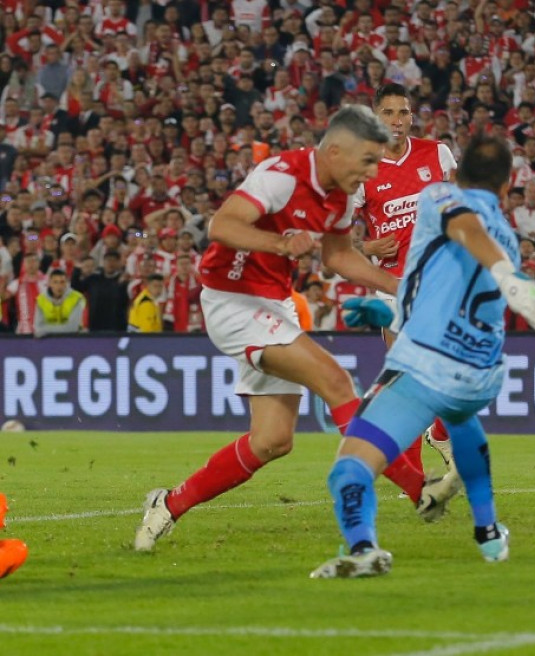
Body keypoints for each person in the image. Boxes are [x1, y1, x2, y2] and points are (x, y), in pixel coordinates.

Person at [134, 106, 431, 552]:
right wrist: (279, 242)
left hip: (272, 304)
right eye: (367, 161)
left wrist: (400, 286)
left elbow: (338, 258)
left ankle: (168, 504)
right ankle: (419, 489)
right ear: (334, 151)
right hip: (231, 299)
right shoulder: (281, 174)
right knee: (335, 380)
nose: (372, 172)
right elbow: (222, 225)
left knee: (272, 441)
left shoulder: (341, 198)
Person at [310, 135, 535, 578]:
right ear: (505, 189)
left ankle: (364, 547)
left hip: (427, 365)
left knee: (349, 469)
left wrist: (507, 278)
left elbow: (464, 226)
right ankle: (487, 533)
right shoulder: (507, 234)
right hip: (480, 377)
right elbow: (445, 282)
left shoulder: (440, 196)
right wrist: (393, 309)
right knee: (462, 421)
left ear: (457, 173)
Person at [353, 83, 459, 511]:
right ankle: (416, 483)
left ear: (412, 116)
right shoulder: (362, 166)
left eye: (403, 112)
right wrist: (366, 248)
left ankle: (440, 433)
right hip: (393, 287)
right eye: (388, 112)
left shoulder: (438, 154)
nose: (397, 120)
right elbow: (337, 233)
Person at [34, 268, 86, 337]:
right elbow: (38, 328)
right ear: (49, 283)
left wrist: (45, 330)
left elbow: (72, 328)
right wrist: (42, 330)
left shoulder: (76, 299)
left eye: (62, 282)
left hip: (73, 341)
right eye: (55, 282)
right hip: (48, 343)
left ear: (67, 283)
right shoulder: (41, 300)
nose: (59, 286)